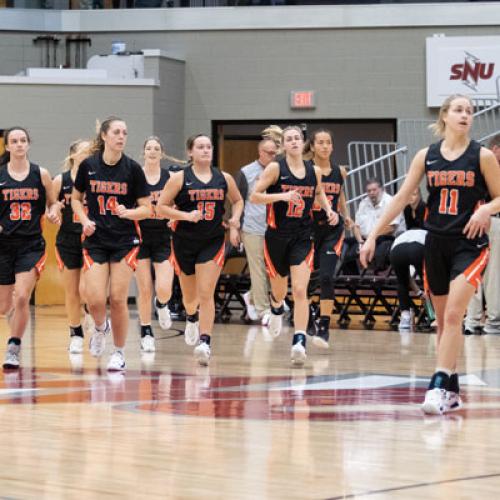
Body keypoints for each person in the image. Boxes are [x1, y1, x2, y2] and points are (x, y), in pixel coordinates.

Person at [360, 94, 500, 415]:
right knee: (441, 323)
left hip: (469, 243)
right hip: (435, 243)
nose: (466, 115)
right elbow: (399, 200)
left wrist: (486, 211)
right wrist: (372, 237)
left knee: (453, 316)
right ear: (445, 116)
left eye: (470, 111)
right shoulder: (426, 156)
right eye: (459, 110)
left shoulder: (482, 156)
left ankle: (436, 384)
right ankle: (452, 391)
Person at [250, 125, 337, 366]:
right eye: (289, 139)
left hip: (302, 236)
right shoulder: (276, 168)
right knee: (279, 291)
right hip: (277, 237)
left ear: (303, 142)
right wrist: (281, 196)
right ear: (283, 145)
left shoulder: (314, 171)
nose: (294, 142)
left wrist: (329, 210)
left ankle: (299, 340)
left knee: (300, 290)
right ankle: (277, 308)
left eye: (297, 138)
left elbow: (319, 194)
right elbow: (254, 196)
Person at [72, 117, 151, 371]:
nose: (121, 136)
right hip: (95, 239)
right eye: (116, 132)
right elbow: (75, 199)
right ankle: (99, 326)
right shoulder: (88, 166)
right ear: (104, 136)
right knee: (94, 299)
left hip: (124, 240)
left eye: (125, 133)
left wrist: (128, 212)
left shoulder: (133, 169)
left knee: (117, 298)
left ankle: (118, 352)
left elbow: (147, 209)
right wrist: (84, 219)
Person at [156, 134, 243, 366]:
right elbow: (161, 207)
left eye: (208, 147)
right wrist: (185, 215)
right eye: (200, 147)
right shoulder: (179, 178)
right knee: (190, 298)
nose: (205, 150)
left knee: (206, 293)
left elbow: (237, 200)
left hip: (212, 241)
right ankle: (191, 317)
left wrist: (235, 218)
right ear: (190, 152)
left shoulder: (223, 178)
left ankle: (205, 341)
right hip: (184, 241)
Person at [0, 126, 61, 369]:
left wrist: (54, 212)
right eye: (14, 141)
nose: (19, 144)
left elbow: (53, 202)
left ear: (28, 144)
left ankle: (14, 346)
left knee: (23, 296)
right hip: (3, 246)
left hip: (31, 244)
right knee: (5, 305)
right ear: (7, 146)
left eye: (23, 140)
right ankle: (15, 318)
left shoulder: (41, 174)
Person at [307, 129, 351, 348]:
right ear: (313, 146)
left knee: (327, 277)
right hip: (308, 228)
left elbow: (340, 195)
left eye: (328, 142)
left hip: (332, 229)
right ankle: (306, 317)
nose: (325, 146)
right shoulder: (306, 171)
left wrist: (347, 215)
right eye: (320, 142)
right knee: (306, 280)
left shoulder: (339, 171)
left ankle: (324, 326)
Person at [135, 136, 176, 353]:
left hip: (163, 236)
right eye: (149, 148)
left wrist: (175, 216)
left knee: (164, 288)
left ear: (162, 153)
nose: (152, 151)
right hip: (140, 236)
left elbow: (179, 202)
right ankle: (146, 331)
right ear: (144, 152)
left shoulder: (170, 177)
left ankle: (162, 304)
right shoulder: (135, 175)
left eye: (156, 148)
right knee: (144, 289)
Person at [53, 139, 93, 355]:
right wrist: (54, 211)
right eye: (84, 151)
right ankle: (75, 333)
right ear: (73, 156)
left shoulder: (96, 178)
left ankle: (90, 310)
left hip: (92, 239)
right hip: (68, 239)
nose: (88, 154)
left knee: (88, 291)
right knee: (72, 291)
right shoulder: (61, 180)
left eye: (91, 151)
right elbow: (50, 204)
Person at [236, 137, 278, 326]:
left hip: (274, 227)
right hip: (252, 226)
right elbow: (236, 201)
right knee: (258, 267)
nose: (272, 155)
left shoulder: (278, 170)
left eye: (274, 152)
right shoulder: (246, 172)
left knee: (273, 268)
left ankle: (252, 296)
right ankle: (264, 310)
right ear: (260, 152)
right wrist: (234, 227)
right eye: (268, 152)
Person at [464, 133, 500, 336]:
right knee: (491, 273)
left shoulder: (475, 165)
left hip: (474, 220)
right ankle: (493, 322)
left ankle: (472, 320)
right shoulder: (490, 165)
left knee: (475, 271)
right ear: (495, 149)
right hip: (489, 220)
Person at [353, 177, 404, 272]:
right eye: (369, 191)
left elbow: (391, 227)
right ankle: (351, 278)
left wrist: (372, 238)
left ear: (382, 189)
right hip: (365, 239)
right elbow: (356, 226)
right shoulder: (363, 203)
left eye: (374, 190)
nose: (371, 193)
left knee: (380, 248)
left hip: (386, 238)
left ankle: (378, 276)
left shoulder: (391, 202)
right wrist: (360, 241)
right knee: (346, 246)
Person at [389, 228, 427, 331]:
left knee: (402, 282)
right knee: (429, 281)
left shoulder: (400, 238)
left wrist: (419, 293)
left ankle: (405, 317)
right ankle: (434, 316)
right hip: (418, 248)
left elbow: (407, 277)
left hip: (396, 251)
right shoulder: (425, 233)